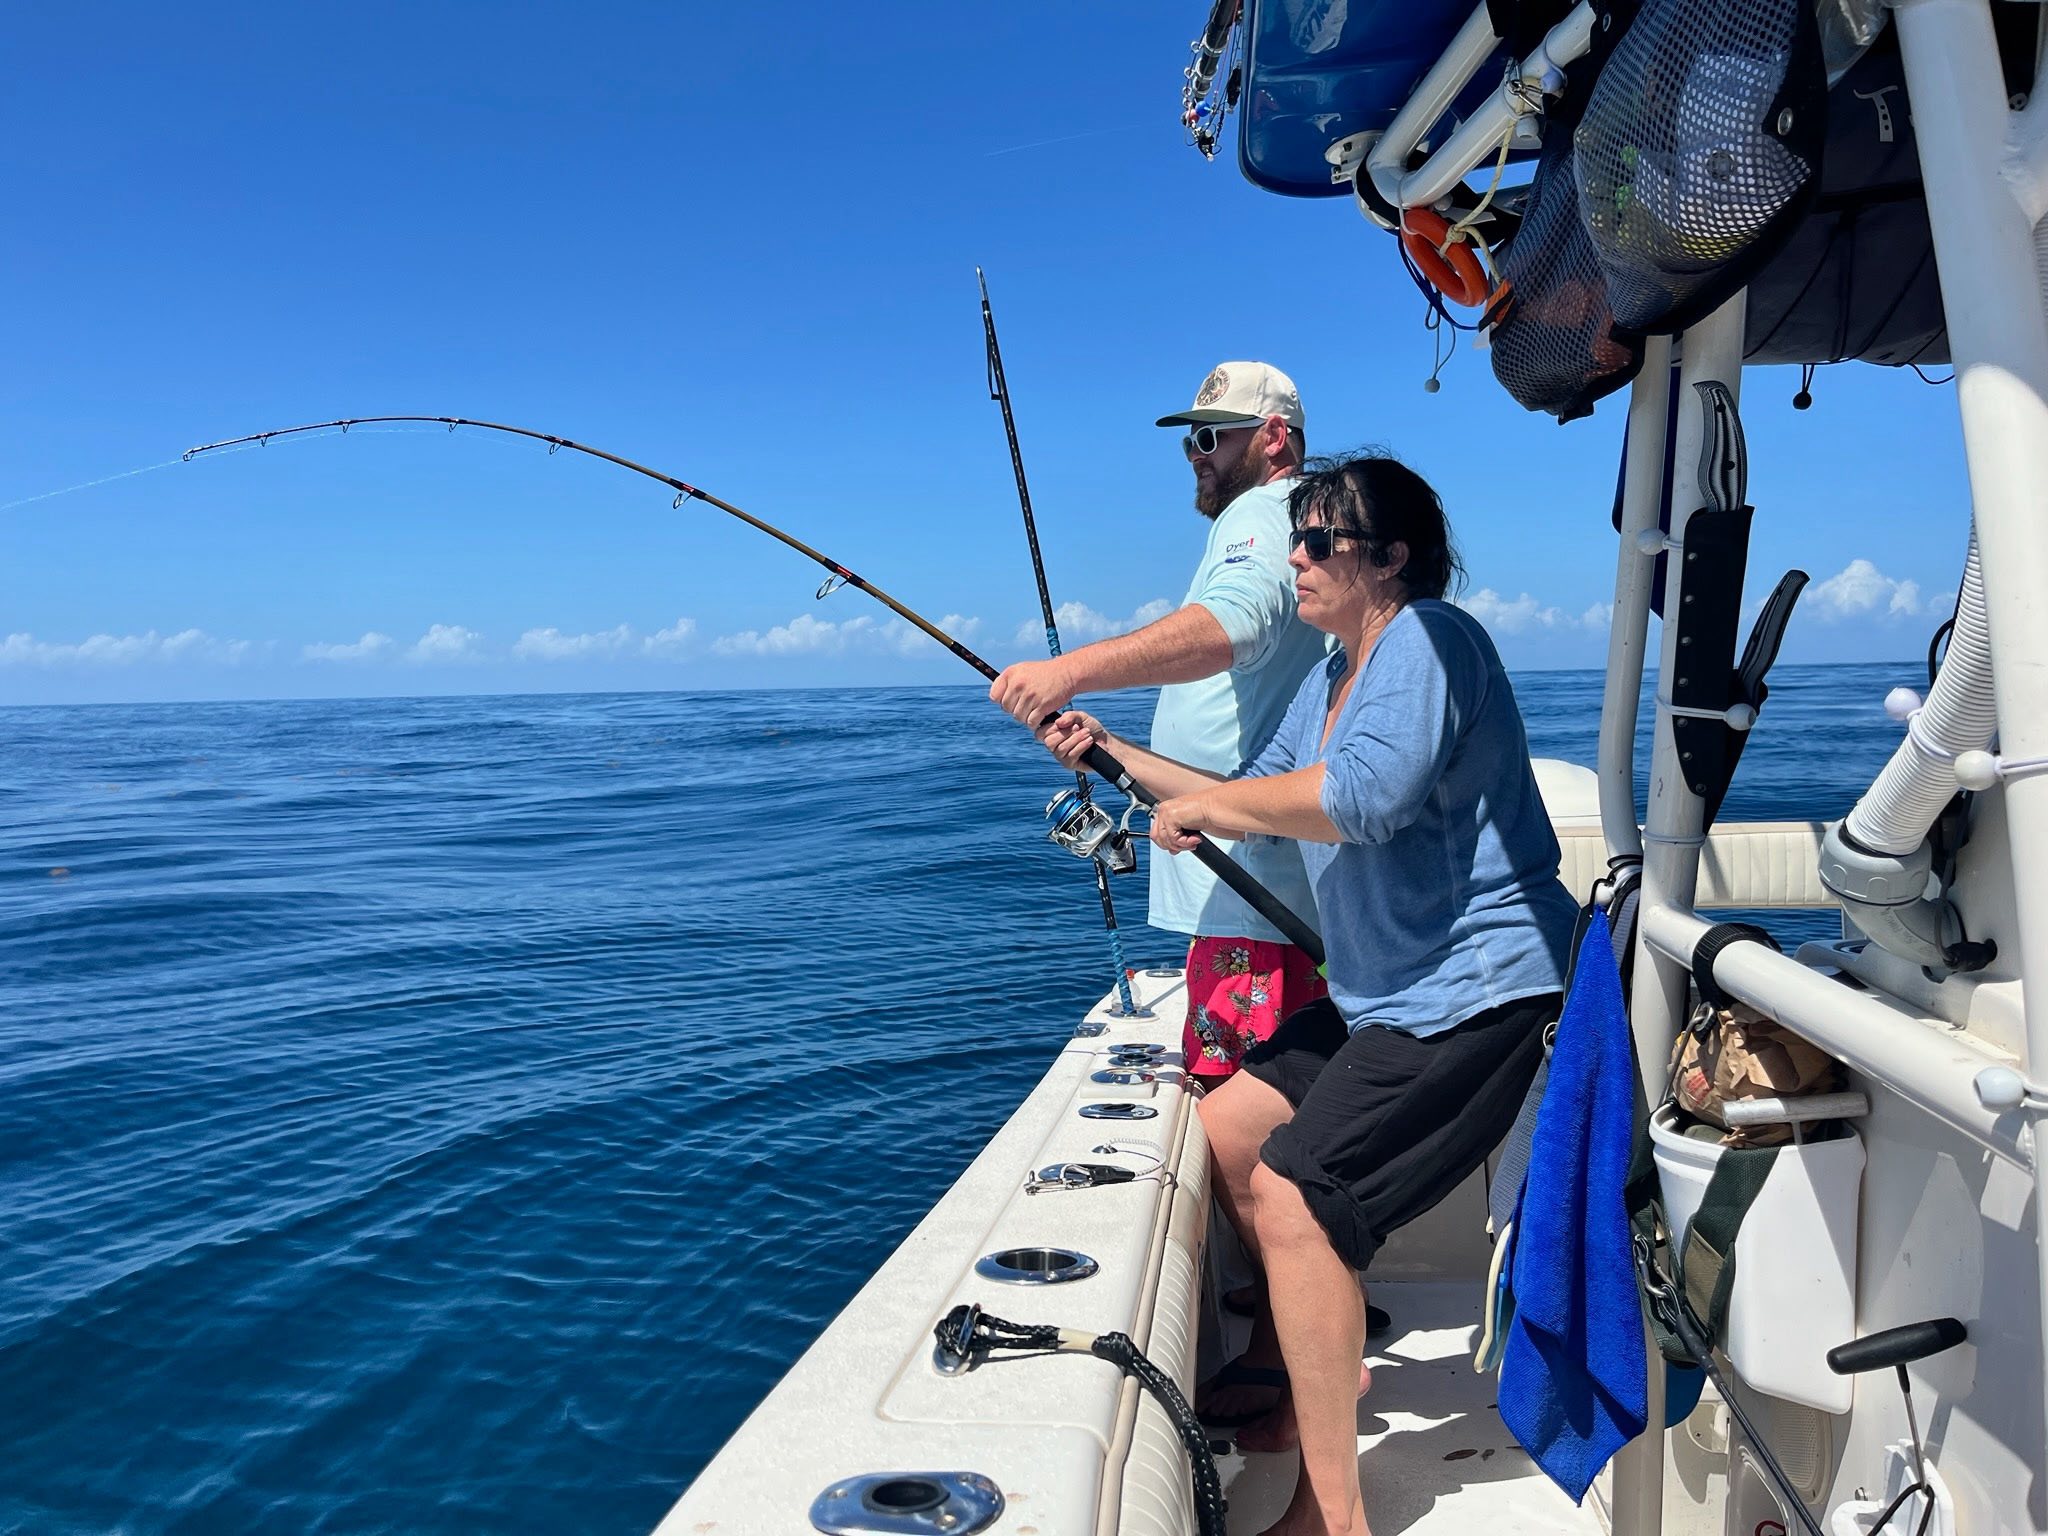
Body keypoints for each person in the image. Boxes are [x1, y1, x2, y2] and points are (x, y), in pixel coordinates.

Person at [1039, 452, 1578, 1536]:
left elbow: (1361, 801)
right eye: (1297, 538)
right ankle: (1321, 1355)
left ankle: (1333, 1520)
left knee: (1290, 1195)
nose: (1294, 557)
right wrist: (1111, 752)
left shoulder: (1428, 639)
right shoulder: (1332, 674)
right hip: (1385, 997)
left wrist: (1222, 817)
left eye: (1317, 540)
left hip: (1474, 995)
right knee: (1230, 1128)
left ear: (1387, 558)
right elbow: (1231, 789)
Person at [991, 362, 1330, 1081]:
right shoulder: (1306, 521)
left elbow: (1231, 626)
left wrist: (1066, 671)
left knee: (1244, 1118)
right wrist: (1110, 748)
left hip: (1255, 904)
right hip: (1269, 891)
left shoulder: (1264, 514)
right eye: (1189, 443)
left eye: (1211, 437)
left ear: (1274, 438)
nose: (1196, 457)